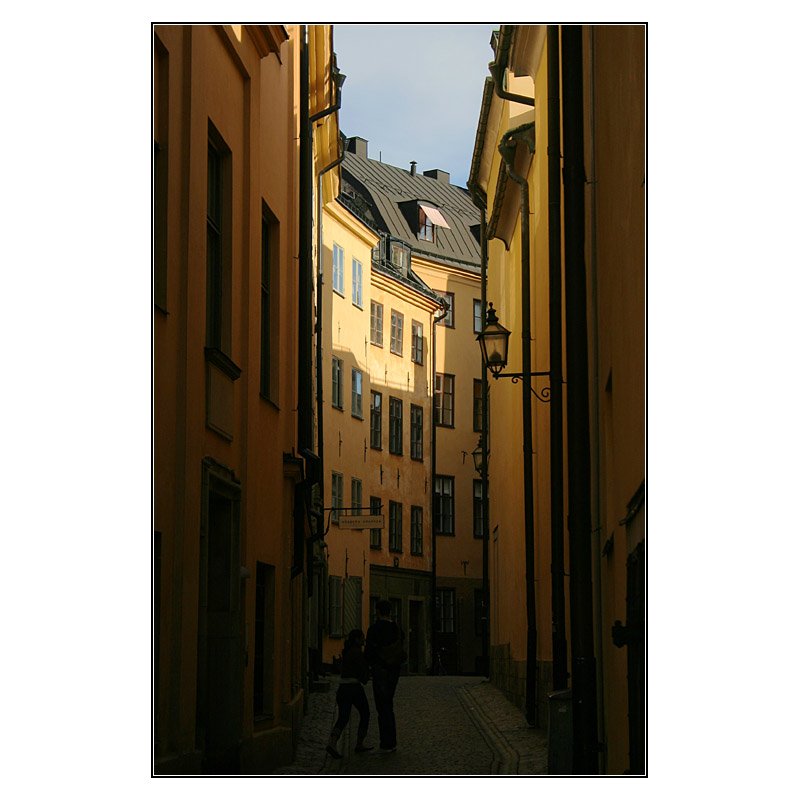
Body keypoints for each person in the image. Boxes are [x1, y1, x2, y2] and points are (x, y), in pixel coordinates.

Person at [365, 600, 406, 753]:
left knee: (382, 706)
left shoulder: (374, 629)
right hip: (394, 671)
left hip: (380, 670)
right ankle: (391, 741)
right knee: (389, 703)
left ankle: (386, 742)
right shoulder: (396, 629)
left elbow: (369, 652)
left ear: (378, 611)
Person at [326, 629, 373, 759]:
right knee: (365, 712)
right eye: (362, 638)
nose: (364, 640)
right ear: (357, 639)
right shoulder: (357, 653)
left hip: (343, 688)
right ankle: (359, 743)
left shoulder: (347, 652)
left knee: (343, 717)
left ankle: (332, 742)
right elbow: (363, 675)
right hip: (354, 688)